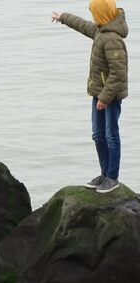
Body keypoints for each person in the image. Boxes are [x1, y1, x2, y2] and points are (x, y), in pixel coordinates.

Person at [52, 0, 128, 193]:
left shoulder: (112, 39)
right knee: (98, 135)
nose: (92, 17)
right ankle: (104, 174)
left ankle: (112, 177)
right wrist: (63, 17)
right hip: (99, 93)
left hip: (109, 96)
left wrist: (104, 98)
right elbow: (83, 25)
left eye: (94, 13)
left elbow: (118, 74)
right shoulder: (100, 31)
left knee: (111, 136)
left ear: (101, 14)